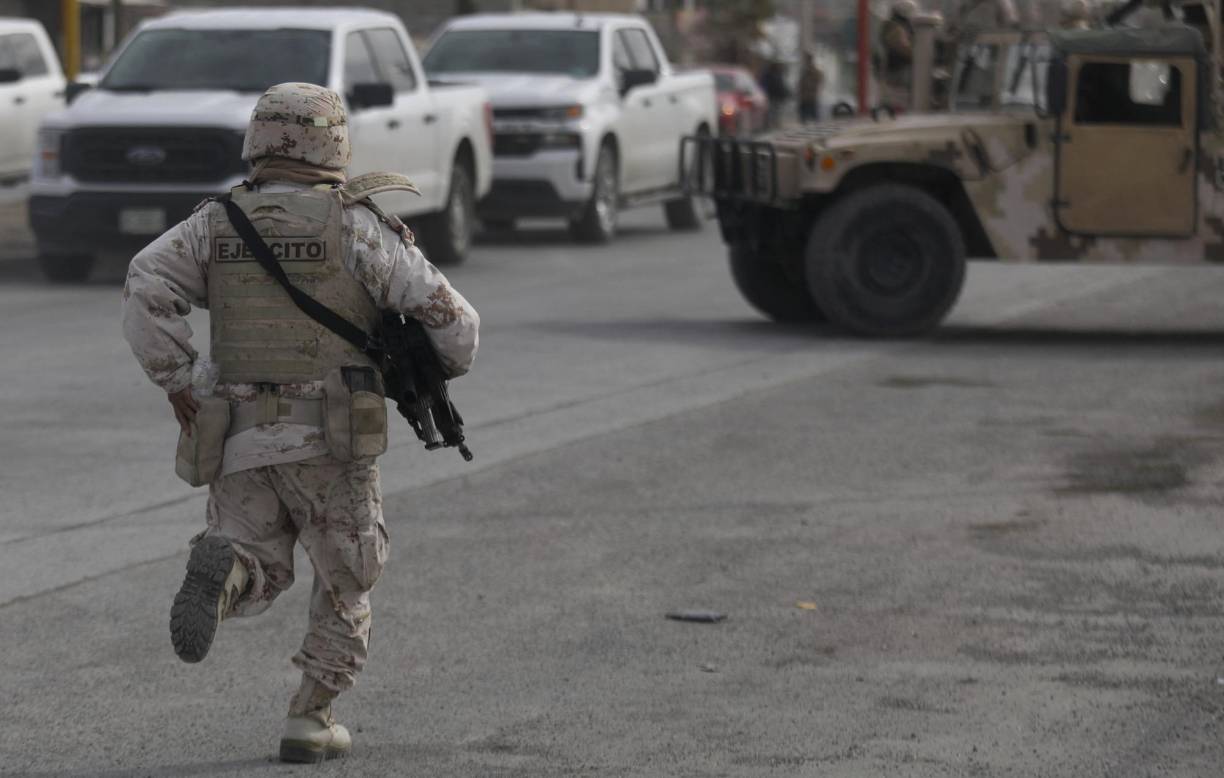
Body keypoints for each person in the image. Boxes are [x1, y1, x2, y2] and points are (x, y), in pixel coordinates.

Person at [121, 82, 479, 763]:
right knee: (347, 577)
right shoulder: (356, 227)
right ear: (333, 142)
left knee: (259, 557)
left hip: (238, 433)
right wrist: (424, 371)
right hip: (331, 440)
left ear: (258, 140)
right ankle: (311, 718)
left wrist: (177, 378)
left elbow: (146, 283)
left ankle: (230, 574)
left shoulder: (214, 223)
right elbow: (458, 329)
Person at [879, 0, 918, 110]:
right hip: (898, 70)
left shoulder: (896, 25)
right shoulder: (895, 27)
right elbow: (903, 48)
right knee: (898, 99)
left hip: (897, 69)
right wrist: (919, 56)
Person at [760, 60, 792, 129]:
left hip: (776, 96)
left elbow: (781, 85)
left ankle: (774, 124)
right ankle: (773, 124)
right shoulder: (770, 74)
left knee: (775, 111)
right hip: (773, 96)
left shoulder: (776, 74)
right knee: (773, 111)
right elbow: (780, 85)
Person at [798, 51, 825, 123]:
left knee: (814, 117)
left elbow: (819, 80)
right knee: (804, 118)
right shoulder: (804, 70)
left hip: (811, 97)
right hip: (805, 97)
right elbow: (801, 83)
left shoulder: (814, 71)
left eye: (807, 59)